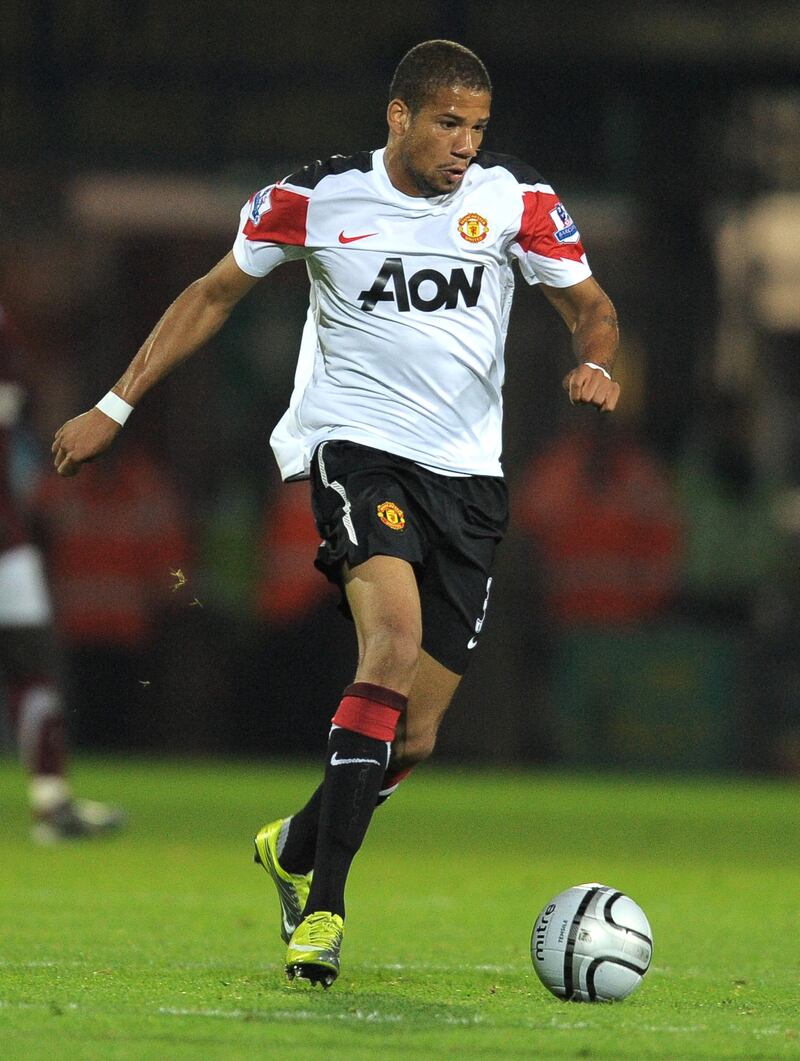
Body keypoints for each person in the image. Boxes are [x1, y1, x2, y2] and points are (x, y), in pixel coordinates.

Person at [51, 40, 619, 985]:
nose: (464, 147)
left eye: (477, 128)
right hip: (356, 450)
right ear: (398, 117)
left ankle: (296, 842)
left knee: (420, 734)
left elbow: (591, 306)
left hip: (469, 481)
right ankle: (325, 910)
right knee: (388, 646)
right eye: (448, 124)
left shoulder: (516, 201)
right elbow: (214, 292)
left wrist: (598, 359)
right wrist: (115, 405)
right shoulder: (315, 197)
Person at [0, 305, 124, 842]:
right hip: (5, 538)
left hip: (6, 540)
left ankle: (52, 803)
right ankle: (51, 803)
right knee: (33, 668)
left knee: (34, 665)